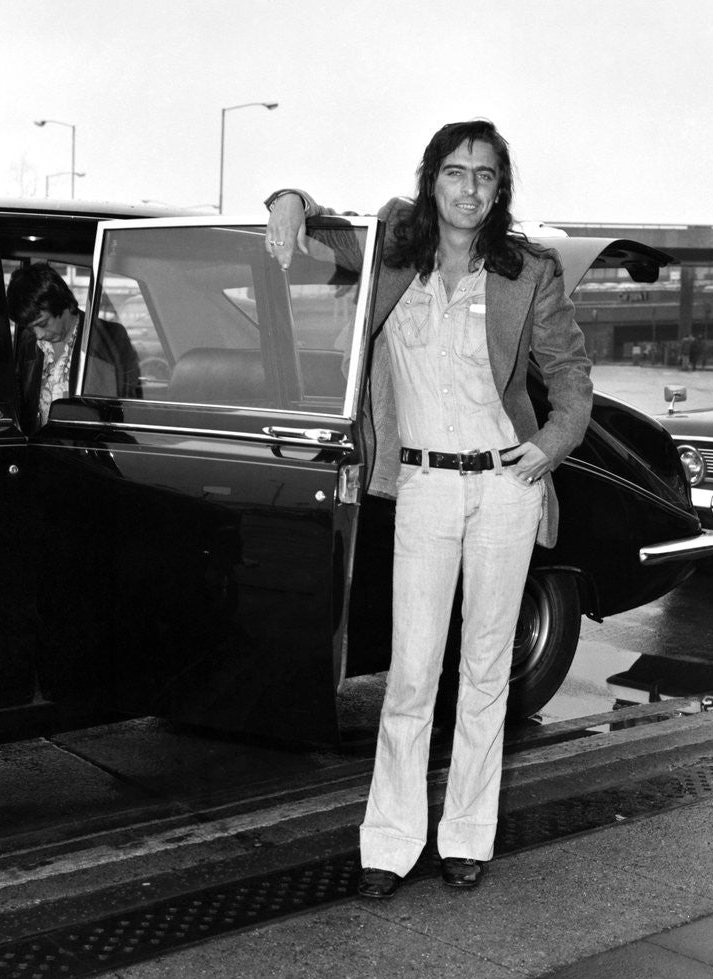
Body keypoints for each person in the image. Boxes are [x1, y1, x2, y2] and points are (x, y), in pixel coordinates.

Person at [264, 120, 593, 899]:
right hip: (423, 488)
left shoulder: (528, 271)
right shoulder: (393, 249)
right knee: (411, 675)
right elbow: (319, 226)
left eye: (485, 175)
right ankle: (389, 844)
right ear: (431, 179)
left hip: (506, 487)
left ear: (499, 186)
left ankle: (467, 838)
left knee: (484, 673)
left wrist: (548, 447)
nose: (470, 188)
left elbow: (572, 379)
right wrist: (287, 198)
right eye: (455, 172)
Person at [6, 262, 140, 432]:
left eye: (43, 323)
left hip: (91, 449)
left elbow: (127, 406)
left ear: (64, 305)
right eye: (31, 327)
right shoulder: (28, 341)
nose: (38, 334)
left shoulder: (108, 337)